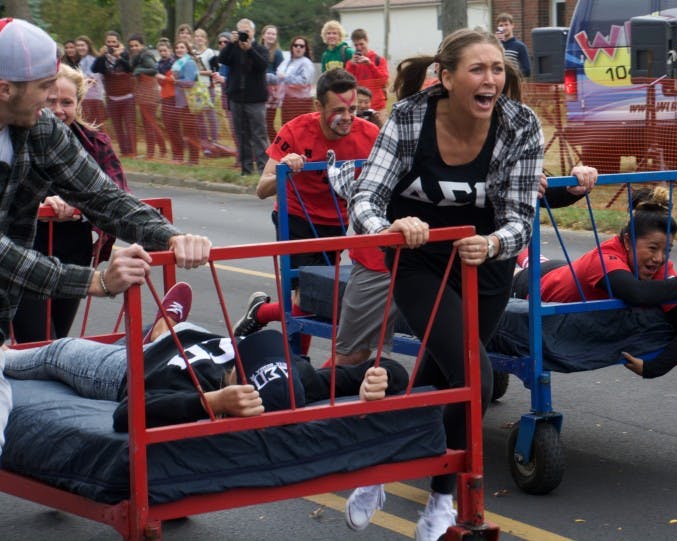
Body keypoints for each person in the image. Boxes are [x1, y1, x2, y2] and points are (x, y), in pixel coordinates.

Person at [347, 28, 542, 540]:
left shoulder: (520, 124)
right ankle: (435, 493)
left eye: (497, 69)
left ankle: (404, 478)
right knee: (474, 376)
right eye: (478, 69)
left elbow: (522, 218)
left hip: (484, 265)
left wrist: (494, 243)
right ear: (447, 77)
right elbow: (365, 196)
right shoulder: (410, 117)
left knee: (444, 377)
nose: (490, 79)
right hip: (419, 260)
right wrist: (388, 227)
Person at [0, 18, 212, 460]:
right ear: (5, 89)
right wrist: (94, 281)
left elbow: (103, 197)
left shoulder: (39, 130)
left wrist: (170, 236)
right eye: (44, 88)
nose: (51, 102)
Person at [3, 283, 407, 433]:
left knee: (60, 350)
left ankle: (3, 355)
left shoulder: (203, 389)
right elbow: (384, 369)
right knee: (179, 333)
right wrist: (381, 374)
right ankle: (163, 326)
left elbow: (127, 416)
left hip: (131, 369)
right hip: (194, 337)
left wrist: (210, 402)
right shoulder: (302, 374)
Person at [235, 69, 381, 353]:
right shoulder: (296, 130)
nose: (348, 117)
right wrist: (284, 168)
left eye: (352, 109)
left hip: (337, 222)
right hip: (296, 218)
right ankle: (298, 361)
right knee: (308, 294)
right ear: (319, 107)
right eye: (338, 110)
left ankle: (261, 312)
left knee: (324, 296)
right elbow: (262, 188)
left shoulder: (369, 134)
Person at [514, 186, 677, 379]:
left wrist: (652, 368)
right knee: (523, 263)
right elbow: (636, 293)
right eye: (653, 248)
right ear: (627, 242)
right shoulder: (605, 258)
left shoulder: (658, 266)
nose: (659, 258)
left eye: (667, 250)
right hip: (536, 283)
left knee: (535, 260)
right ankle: (513, 240)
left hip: (567, 272)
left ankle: (522, 249)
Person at [11, 64, 131, 343]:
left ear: (78, 103)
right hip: (25, 250)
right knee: (38, 341)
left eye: (66, 102)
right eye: (50, 101)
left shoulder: (95, 142)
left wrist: (79, 205)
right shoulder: (15, 137)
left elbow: (117, 193)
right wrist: (39, 204)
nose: (58, 110)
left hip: (74, 251)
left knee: (59, 341)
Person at [218, 18, 270, 176]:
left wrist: (249, 49)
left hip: (256, 99)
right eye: (241, 31)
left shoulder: (260, 49)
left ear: (253, 32)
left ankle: (263, 169)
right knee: (242, 135)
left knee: (259, 135)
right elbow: (222, 59)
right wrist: (231, 44)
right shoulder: (233, 48)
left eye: (247, 31)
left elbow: (262, 65)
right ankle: (246, 169)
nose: (244, 34)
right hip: (237, 98)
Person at [92, 30, 136, 157]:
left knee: (129, 125)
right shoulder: (104, 56)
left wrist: (119, 56)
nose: (111, 44)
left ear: (118, 43)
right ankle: (124, 151)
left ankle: (132, 151)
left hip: (127, 97)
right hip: (112, 97)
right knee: (117, 126)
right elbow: (95, 69)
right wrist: (100, 56)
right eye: (109, 42)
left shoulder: (125, 54)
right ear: (105, 43)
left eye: (114, 42)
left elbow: (130, 68)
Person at [128, 34, 167, 160]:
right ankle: (162, 149)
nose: (134, 48)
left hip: (149, 93)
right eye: (131, 46)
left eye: (136, 45)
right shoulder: (138, 56)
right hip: (144, 93)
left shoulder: (146, 55)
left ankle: (151, 152)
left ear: (142, 45)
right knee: (150, 123)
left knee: (149, 123)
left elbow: (154, 69)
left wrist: (139, 70)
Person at [169, 40, 203, 165]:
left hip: (190, 102)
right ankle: (191, 158)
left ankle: (194, 159)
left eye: (182, 47)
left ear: (187, 49)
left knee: (191, 130)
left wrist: (176, 81)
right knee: (187, 130)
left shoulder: (189, 62)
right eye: (177, 47)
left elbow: (190, 82)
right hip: (182, 102)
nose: (179, 49)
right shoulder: (178, 63)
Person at [345, 29, 389, 117]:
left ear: (367, 41)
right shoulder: (351, 63)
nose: (359, 47)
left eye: (361, 44)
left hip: (378, 108)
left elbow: (383, 81)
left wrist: (370, 64)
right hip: (359, 109)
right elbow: (347, 84)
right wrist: (351, 66)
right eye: (356, 45)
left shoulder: (378, 60)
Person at [275, 35, 315, 126]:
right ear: (292, 47)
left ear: (305, 49)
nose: (298, 48)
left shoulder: (306, 63)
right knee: (287, 128)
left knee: (300, 129)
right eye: (295, 45)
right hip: (287, 101)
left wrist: (286, 77)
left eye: (301, 46)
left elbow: (304, 82)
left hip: (301, 103)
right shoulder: (286, 61)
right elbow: (278, 75)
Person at [75, 35, 108, 128]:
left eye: (82, 45)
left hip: (92, 97)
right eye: (78, 45)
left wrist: (77, 79)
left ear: (88, 46)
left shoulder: (90, 59)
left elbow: (93, 78)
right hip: (88, 96)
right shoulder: (83, 60)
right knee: (93, 125)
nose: (80, 48)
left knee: (95, 126)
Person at [260, 24, 285, 142]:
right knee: (259, 123)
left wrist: (269, 77)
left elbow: (280, 73)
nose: (271, 36)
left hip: (272, 93)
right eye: (269, 33)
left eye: (273, 34)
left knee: (268, 123)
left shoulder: (278, 53)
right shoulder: (257, 50)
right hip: (257, 90)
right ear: (263, 35)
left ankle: (277, 145)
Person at [495, 13, 531, 77]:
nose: (504, 28)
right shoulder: (495, 46)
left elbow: (527, 71)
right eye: (501, 25)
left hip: (512, 82)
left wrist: (511, 75)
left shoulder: (520, 46)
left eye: (506, 25)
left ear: (512, 25)